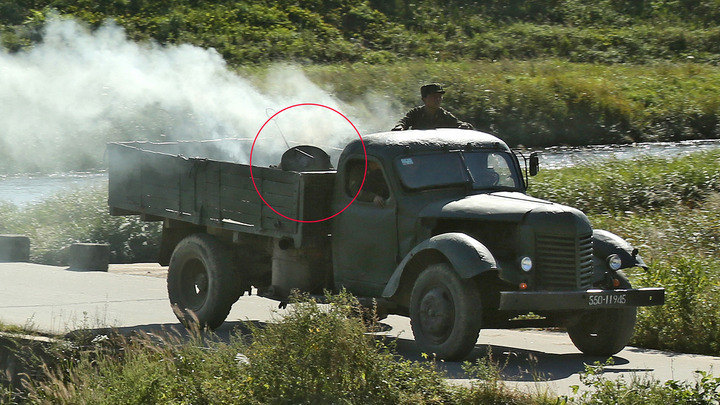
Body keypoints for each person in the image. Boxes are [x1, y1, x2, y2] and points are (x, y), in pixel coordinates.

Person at [392, 83, 473, 131]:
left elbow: (458, 124)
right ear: (424, 99)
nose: (438, 99)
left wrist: (465, 126)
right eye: (434, 96)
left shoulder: (444, 115)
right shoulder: (416, 113)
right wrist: (400, 127)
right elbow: (403, 122)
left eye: (440, 97)